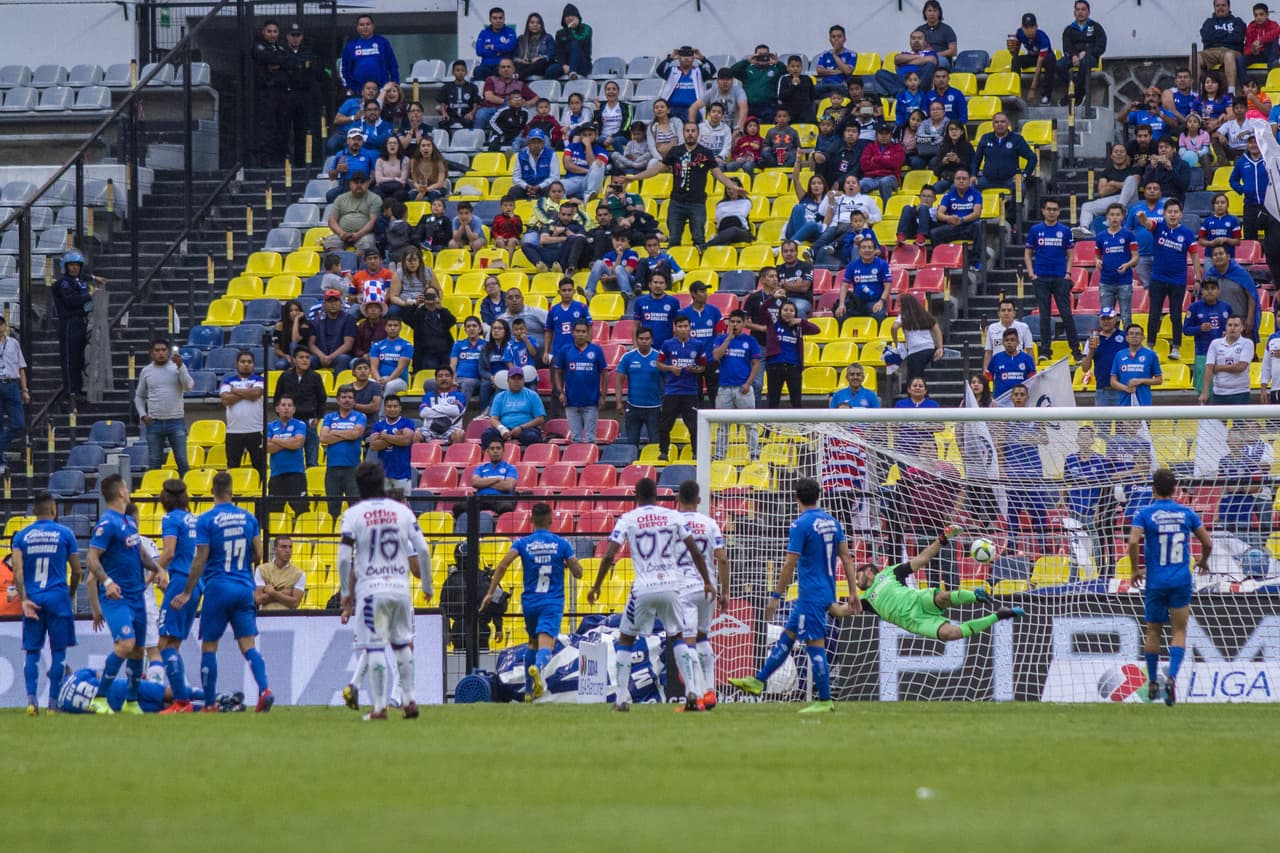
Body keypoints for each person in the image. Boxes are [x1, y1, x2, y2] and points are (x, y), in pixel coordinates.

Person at [728, 476, 858, 713]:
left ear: (796, 497)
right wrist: (852, 592)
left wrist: (776, 596)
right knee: (786, 638)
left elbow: (789, 564)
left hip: (810, 594)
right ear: (819, 496)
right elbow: (847, 558)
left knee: (815, 644)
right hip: (824, 589)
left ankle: (825, 699)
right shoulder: (832, 522)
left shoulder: (801, 525)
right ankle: (759, 680)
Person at [587, 477, 711, 712]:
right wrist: (706, 581)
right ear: (657, 495)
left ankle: (622, 698)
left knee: (626, 638)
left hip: (643, 588)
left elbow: (608, 554)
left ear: (636, 495)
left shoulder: (628, 519)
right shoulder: (672, 516)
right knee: (677, 637)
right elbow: (695, 550)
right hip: (672, 586)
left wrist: (596, 586)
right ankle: (692, 691)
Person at [169, 473, 270, 713]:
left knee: (210, 647)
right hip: (244, 587)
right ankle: (265, 690)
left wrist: (187, 592)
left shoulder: (206, 520)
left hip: (218, 587)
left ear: (212, 491)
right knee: (249, 646)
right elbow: (258, 554)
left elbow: (200, 557)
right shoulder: (248, 518)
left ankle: (210, 704)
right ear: (232, 491)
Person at [337, 461, 429, 721]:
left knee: (375, 647)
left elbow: (345, 559)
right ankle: (409, 700)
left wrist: (346, 592)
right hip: (400, 588)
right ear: (384, 482)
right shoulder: (402, 514)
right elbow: (421, 551)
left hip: (372, 589)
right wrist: (428, 585)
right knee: (403, 645)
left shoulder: (354, 514)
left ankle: (379, 708)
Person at [855, 523, 1024, 643]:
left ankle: (976, 595)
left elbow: (922, 559)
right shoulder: (864, 601)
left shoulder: (890, 572)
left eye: (858, 575)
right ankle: (999, 615)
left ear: (869, 571)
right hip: (916, 622)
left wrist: (942, 539)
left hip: (917, 599)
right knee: (952, 634)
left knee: (942, 596)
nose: (856, 580)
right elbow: (840, 611)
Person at [482, 501, 583, 701]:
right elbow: (578, 573)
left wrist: (490, 593)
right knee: (546, 646)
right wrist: (566, 564)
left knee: (532, 643)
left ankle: (529, 692)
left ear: (531, 521)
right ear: (551, 520)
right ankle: (537, 668)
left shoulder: (522, 543)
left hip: (529, 603)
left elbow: (502, 565)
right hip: (551, 602)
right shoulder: (561, 544)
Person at [1129, 468, 1213, 705]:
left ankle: (1153, 681)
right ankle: (1172, 677)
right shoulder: (1186, 513)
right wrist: (1203, 561)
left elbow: (1133, 541)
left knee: (1153, 631)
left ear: (1153, 488)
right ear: (1175, 489)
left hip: (1156, 581)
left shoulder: (1144, 513)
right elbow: (1207, 542)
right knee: (1179, 631)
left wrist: (1135, 569)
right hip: (1180, 580)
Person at [86, 474, 162, 714]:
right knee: (126, 644)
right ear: (120, 492)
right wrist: (107, 581)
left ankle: (131, 701)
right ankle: (100, 697)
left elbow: (140, 555)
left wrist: (159, 569)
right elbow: (91, 558)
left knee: (139, 649)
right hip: (116, 598)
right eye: (126, 487)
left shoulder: (129, 522)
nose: (128, 490)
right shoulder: (107, 523)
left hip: (136, 594)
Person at [11, 492, 81, 714]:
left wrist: (24, 599)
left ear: (34, 512)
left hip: (33, 599)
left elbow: (18, 571)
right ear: (54, 511)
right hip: (58, 597)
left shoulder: (21, 536)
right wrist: (70, 594)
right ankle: (53, 704)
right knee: (58, 651)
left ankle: (31, 701)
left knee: (32, 651)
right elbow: (78, 571)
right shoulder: (65, 533)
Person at [628, 122, 737, 248]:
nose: (690, 133)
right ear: (683, 133)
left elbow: (719, 174)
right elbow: (657, 169)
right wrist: (635, 178)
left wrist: (733, 187)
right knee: (673, 239)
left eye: (693, 131)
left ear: (698, 133)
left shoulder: (706, 153)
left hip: (697, 203)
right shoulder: (675, 151)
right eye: (687, 131)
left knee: (699, 239)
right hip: (676, 203)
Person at [1137, 198, 1200, 360]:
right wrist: (1142, 217)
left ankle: (1176, 347)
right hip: (1157, 279)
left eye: (1176, 212)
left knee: (1175, 314)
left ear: (1181, 214)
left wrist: (1198, 279)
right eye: (1169, 212)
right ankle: (1150, 345)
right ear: (1164, 214)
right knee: (1154, 313)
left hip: (1178, 281)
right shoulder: (1158, 228)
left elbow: (1194, 257)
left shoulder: (1187, 233)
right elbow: (1147, 223)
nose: (1173, 215)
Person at [1025, 198, 1082, 362]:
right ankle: (1045, 351)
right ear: (1043, 211)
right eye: (1049, 209)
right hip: (1041, 277)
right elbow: (1028, 253)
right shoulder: (1035, 230)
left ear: (1058, 211)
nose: (1051, 212)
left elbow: (1070, 254)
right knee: (1044, 315)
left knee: (1066, 314)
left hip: (1060, 278)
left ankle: (1076, 351)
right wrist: (1031, 273)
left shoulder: (1064, 231)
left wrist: (1068, 274)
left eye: (1055, 209)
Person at [135, 338, 193, 477]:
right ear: (152, 353)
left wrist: (181, 366)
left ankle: (186, 492)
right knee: (154, 462)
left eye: (163, 350)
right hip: (154, 423)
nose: (161, 353)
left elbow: (189, 387)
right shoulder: (146, 371)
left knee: (182, 461)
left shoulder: (177, 368)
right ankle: (156, 494)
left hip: (176, 421)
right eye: (157, 350)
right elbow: (139, 396)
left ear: (168, 352)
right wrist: (143, 415)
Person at [710, 311, 762, 459]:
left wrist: (748, 383)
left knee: (750, 423)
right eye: (732, 321)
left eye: (738, 322)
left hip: (743, 388)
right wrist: (729, 339)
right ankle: (720, 454)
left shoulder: (750, 341)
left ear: (744, 323)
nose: (734, 324)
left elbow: (756, 364)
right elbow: (716, 356)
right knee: (722, 424)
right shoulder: (721, 339)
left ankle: (754, 454)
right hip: (724, 387)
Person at [52, 250, 101, 408]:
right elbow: (71, 301)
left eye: (77, 265)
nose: (74, 268)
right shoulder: (63, 283)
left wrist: (88, 302)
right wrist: (89, 296)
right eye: (71, 265)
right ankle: (70, 392)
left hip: (81, 323)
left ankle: (78, 390)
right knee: (69, 360)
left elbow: (87, 305)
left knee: (79, 360)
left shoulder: (81, 282)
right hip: (68, 324)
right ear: (65, 267)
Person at [657, 315, 704, 461]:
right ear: (675, 328)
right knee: (665, 424)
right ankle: (664, 452)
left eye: (685, 326)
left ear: (690, 328)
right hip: (672, 391)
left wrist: (695, 369)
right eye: (680, 326)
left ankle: (696, 452)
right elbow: (658, 364)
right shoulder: (667, 344)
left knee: (694, 426)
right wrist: (670, 368)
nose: (683, 329)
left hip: (690, 391)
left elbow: (703, 367)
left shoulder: (698, 345)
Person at [554, 320, 606, 444]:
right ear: (573, 333)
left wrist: (603, 396)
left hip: (591, 401)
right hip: (571, 401)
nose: (581, 334)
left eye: (584, 331)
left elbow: (604, 373)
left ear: (588, 333)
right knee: (576, 438)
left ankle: (591, 462)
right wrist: (560, 392)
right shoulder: (565, 350)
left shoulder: (596, 350)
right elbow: (557, 372)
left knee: (590, 438)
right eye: (578, 331)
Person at [273, 348, 326, 468]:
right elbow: (277, 398)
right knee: (293, 460)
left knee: (312, 461)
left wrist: (318, 417)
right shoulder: (285, 376)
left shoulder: (315, 377)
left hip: (310, 422)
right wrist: (283, 418)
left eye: (307, 358)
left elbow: (322, 399)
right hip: (291, 421)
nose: (305, 360)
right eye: (302, 357)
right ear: (294, 360)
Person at [321, 385, 367, 518]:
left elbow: (355, 434)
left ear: (354, 400)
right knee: (333, 507)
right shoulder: (329, 417)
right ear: (337, 400)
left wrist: (334, 433)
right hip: (332, 469)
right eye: (344, 397)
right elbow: (323, 438)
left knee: (355, 506)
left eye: (350, 397)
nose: (347, 400)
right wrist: (347, 433)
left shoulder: (360, 416)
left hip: (352, 468)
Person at [1076, 144, 1141, 236]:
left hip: (1131, 201)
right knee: (1087, 206)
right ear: (1111, 156)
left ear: (1126, 156)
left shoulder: (1134, 171)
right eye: (1116, 152)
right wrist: (1122, 185)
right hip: (1113, 200)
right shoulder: (1106, 172)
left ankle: (1118, 209)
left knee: (1130, 179)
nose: (1119, 154)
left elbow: (1133, 185)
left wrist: (1112, 183)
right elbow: (1102, 192)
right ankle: (1084, 229)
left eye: (1122, 152)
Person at [219, 350, 265, 477]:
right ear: (237, 364)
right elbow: (226, 400)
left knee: (259, 467)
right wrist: (247, 393)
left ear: (253, 365)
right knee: (233, 469)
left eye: (249, 362)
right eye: (243, 361)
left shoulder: (259, 379)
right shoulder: (228, 381)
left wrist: (236, 391)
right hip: (233, 432)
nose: (246, 364)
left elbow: (256, 394)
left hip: (256, 430)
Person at [279, 23, 319, 166]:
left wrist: (294, 66)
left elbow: (313, 69)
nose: (295, 38)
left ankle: (302, 162)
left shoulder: (308, 52)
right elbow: (282, 67)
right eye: (292, 35)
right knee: (284, 129)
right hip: (287, 94)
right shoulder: (281, 51)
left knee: (302, 129)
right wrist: (298, 66)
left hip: (304, 95)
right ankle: (284, 160)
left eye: (298, 35)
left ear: (301, 37)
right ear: (287, 36)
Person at [1094, 202, 1141, 325]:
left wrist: (1127, 265)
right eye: (1112, 215)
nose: (1114, 217)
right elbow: (1097, 256)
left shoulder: (1129, 235)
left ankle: (1127, 343)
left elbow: (1136, 257)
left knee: (1126, 317)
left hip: (1124, 282)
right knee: (1106, 318)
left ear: (1122, 217)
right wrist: (1097, 261)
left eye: (1117, 215)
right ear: (1107, 217)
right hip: (1106, 282)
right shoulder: (1100, 237)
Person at [1183, 278, 1233, 393]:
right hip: (1203, 353)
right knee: (1203, 389)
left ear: (1218, 290)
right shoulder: (1194, 308)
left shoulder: (1226, 307)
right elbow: (1186, 330)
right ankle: (1203, 408)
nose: (1209, 291)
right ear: (1201, 291)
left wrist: (1228, 332)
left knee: (1223, 387)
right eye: (1206, 289)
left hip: (1224, 353)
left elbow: (1233, 327)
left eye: (1213, 288)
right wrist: (1199, 328)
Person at [614, 327, 662, 447]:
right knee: (631, 443)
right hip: (633, 407)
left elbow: (668, 380)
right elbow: (619, 380)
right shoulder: (627, 357)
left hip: (654, 407)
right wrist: (619, 401)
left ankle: (653, 465)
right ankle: (631, 465)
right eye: (641, 339)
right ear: (636, 339)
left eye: (647, 339)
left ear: (652, 340)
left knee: (655, 443)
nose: (644, 341)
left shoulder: (660, 357)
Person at [1202, 243, 1260, 338]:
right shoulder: (1209, 276)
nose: (1218, 256)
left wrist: (1250, 318)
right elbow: (1203, 299)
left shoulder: (1241, 274)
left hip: (1240, 322)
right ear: (1212, 259)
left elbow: (1252, 296)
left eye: (1221, 253)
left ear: (1228, 257)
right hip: (1217, 322)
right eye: (1215, 255)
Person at [251, 20, 288, 165]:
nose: (272, 34)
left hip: (281, 92)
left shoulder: (280, 48)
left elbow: (288, 60)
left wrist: (277, 63)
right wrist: (277, 61)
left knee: (281, 125)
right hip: (266, 92)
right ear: (263, 32)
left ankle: (278, 157)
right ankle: (264, 159)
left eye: (275, 31)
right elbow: (267, 57)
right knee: (267, 125)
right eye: (269, 31)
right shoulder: (258, 47)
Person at [931, 168, 983, 267]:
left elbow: (977, 213)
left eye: (964, 178)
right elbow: (939, 213)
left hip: (969, 226)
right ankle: (942, 260)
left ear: (969, 181)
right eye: (958, 178)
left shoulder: (976, 194)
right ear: (954, 181)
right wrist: (948, 218)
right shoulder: (949, 195)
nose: (961, 181)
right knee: (934, 233)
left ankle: (976, 261)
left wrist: (962, 219)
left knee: (979, 226)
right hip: (953, 226)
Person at [266, 395, 308, 517]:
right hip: (276, 475)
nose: (286, 408)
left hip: (296, 475)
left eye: (289, 405)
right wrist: (288, 442)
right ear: (277, 408)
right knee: (274, 513)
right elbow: (267, 448)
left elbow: (297, 443)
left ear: (294, 409)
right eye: (283, 405)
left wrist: (276, 440)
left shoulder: (300, 424)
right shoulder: (270, 426)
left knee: (301, 510)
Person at [972, 112, 1037, 192]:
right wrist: (973, 175)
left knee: (1021, 189)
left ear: (1008, 124)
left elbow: (1032, 157)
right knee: (970, 186)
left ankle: (1013, 205)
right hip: (988, 180)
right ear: (993, 125)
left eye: (1002, 122)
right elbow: (976, 160)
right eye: (996, 122)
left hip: (1010, 180)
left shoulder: (1017, 139)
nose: (999, 124)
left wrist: (1024, 174)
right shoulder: (986, 138)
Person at [1058, 0, 1107, 105]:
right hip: (1073, 57)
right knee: (1059, 65)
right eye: (1078, 9)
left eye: (1083, 9)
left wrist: (1087, 52)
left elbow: (1101, 46)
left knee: (1085, 62)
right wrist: (1073, 56)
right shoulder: (1069, 29)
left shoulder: (1096, 27)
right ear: (1074, 12)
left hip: (1091, 57)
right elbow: (1066, 46)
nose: (1080, 12)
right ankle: (1076, 90)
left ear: (1088, 12)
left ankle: (1077, 94)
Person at [367, 394, 416, 493]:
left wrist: (384, 436)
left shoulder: (408, 422)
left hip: (402, 474)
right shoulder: (378, 424)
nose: (392, 409)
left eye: (395, 406)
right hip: (383, 474)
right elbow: (373, 445)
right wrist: (396, 437)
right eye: (389, 406)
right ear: (385, 408)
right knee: (385, 507)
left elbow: (405, 441)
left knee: (402, 506)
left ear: (400, 408)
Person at [1080, 308, 1129, 406]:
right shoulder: (1092, 340)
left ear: (1115, 319)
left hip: (1123, 388)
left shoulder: (1125, 337)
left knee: (1125, 421)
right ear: (1099, 320)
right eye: (1103, 319)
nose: (1106, 322)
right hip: (1102, 390)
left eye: (1109, 318)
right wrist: (1091, 352)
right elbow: (1085, 368)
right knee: (1101, 421)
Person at [1201, 314, 1255, 404]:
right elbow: (1209, 368)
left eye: (1236, 325)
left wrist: (1218, 368)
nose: (1232, 328)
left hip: (1240, 392)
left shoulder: (1247, 343)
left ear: (1243, 328)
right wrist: (1205, 392)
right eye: (1229, 325)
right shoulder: (1215, 343)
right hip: (1219, 393)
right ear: (1225, 327)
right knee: (1216, 418)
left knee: (1239, 418)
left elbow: (1240, 367)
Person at [835, 236, 890, 323]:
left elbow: (888, 286)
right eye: (864, 247)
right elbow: (844, 285)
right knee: (840, 313)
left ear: (875, 250)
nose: (867, 250)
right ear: (859, 251)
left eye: (870, 247)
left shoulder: (883, 264)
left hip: (875, 301)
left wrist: (881, 301)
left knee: (878, 314)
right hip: (857, 303)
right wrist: (841, 304)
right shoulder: (852, 265)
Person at [324, 170, 381, 253]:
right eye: (355, 182)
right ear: (350, 184)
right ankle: (341, 264)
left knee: (366, 244)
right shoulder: (341, 198)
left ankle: (356, 265)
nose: (359, 185)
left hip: (365, 235)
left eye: (362, 182)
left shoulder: (375, 199)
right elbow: (332, 220)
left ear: (368, 183)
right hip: (342, 235)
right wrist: (341, 233)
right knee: (331, 243)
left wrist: (358, 234)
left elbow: (373, 221)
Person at [1199, 0, 1248, 97]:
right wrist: (1227, 35)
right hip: (1211, 51)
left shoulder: (1237, 21)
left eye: (1223, 5)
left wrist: (1216, 36)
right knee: (1195, 57)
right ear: (1214, 8)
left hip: (1231, 50)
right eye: (1217, 6)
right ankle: (1196, 91)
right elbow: (1206, 37)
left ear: (1229, 7)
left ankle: (1231, 91)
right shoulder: (1208, 22)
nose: (1220, 8)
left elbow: (1238, 38)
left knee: (1228, 55)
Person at [340, 14, 398, 95]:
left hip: (382, 90)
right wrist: (350, 87)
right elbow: (344, 69)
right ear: (357, 28)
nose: (365, 27)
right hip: (358, 91)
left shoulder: (383, 42)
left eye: (368, 24)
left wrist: (394, 84)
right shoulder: (350, 46)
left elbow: (393, 65)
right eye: (362, 25)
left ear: (373, 26)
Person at [484, 370, 546, 446]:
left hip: (526, 429)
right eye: (513, 378)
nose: (516, 381)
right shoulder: (500, 396)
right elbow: (493, 418)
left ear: (523, 381)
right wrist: (502, 429)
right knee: (487, 435)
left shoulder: (532, 395)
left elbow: (540, 418)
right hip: (505, 429)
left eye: (519, 378)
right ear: (508, 381)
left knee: (532, 436)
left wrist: (521, 427)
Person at [891, 293, 943, 382]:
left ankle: (920, 395)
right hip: (929, 348)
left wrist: (896, 342)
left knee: (913, 380)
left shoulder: (903, 316)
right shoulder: (924, 314)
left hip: (915, 351)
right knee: (921, 377)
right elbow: (937, 330)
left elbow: (894, 327)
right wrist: (940, 347)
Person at [1111, 323, 1164, 405]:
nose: (1134, 336)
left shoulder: (1151, 355)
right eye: (1131, 334)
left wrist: (1140, 381)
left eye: (1137, 334)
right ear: (1126, 338)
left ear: (1143, 337)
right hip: (1123, 403)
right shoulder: (1119, 355)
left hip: (1144, 402)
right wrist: (1126, 388)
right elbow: (1113, 381)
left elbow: (1159, 380)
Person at [1229, 133, 1269, 241]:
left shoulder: (1269, 159)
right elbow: (1233, 180)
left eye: (1256, 142)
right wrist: (1242, 189)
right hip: (1250, 205)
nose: (1254, 145)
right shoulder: (1241, 161)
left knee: (1272, 236)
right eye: (1251, 142)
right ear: (1247, 145)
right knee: (1249, 237)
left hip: (1269, 206)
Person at [418, 366, 468, 445]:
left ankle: (453, 457)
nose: (443, 378)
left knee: (459, 434)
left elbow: (456, 411)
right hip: (431, 429)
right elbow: (423, 413)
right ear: (436, 379)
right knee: (416, 435)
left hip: (452, 429)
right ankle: (419, 457)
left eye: (447, 376)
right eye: (440, 376)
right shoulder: (428, 396)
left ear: (452, 378)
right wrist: (449, 409)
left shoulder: (460, 396)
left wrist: (434, 407)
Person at [254, 537, 305, 612]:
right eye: (283, 547)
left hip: (289, 618)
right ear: (274, 550)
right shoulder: (262, 570)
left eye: (290, 547)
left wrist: (272, 592)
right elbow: (259, 599)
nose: (288, 550)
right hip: (266, 617)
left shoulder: (299, 574)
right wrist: (285, 593)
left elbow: (295, 603)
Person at [982, 299, 1035, 371]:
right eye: (1003, 310)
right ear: (999, 313)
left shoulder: (1023, 327)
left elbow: (1029, 350)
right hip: (998, 368)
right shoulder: (992, 328)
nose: (1006, 313)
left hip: (1018, 367)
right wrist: (985, 372)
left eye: (1009, 310)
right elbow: (988, 352)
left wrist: (1032, 370)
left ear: (1014, 313)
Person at [1013, 13, 1054, 104]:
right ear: (1022, 28)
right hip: (1032, 57)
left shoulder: (1043, 38)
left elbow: (1038, 65)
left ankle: (1046, 95)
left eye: (1032, 27)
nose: (1029, 30)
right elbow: (1016, 51)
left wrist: (1032, 89)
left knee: (1050, 61)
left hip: (1044, 58)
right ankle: (1015, 92)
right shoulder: (1019, 33)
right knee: (1016, 60)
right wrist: (1013, 51)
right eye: (1026, 28)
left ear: (1036, 27)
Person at [986, 328, 1037, 400]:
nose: (1009, 342)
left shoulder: (1027, 359)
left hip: (1020, 401)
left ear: (1018, 342)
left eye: (1012, 340)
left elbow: (1033, 381)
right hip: (1000, 401)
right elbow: (987, 378)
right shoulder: (996, 358)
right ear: (1003, 342)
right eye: (1006, 340)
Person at [474, 6, 517, 81]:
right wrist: (501, 50)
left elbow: (510, 47)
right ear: (490, 19)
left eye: (500, 18)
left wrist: (491, 47)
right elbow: (479, 51)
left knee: (502, 71)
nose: (498, 20)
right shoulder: (484, 33)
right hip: (486, 65)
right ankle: (482, 93)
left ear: (504, 19)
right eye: (495, 18)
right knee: (478, 71)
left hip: (502, 65)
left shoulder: (510, 32)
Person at [553, 4, 592, 79]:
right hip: (566, 65)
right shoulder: (560, 33)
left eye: (573, 15)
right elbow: (559, 52)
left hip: (583, 64)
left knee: (574, 44)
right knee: (551, 70)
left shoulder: (587, 29)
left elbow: (582, 46)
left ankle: (572, 72)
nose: (570, 18)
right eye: (567, 16)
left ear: (578, 17)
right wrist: (564, 64)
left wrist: (570, 30)